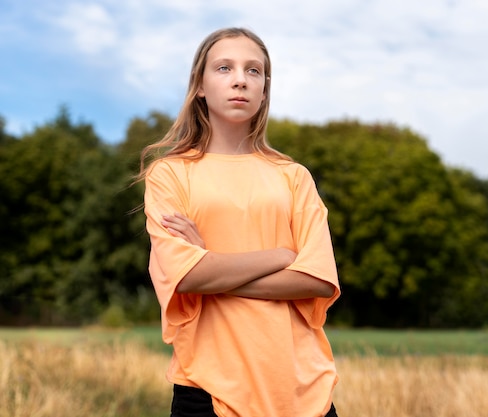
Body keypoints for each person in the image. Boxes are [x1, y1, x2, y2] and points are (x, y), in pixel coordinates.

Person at [137, 27, 341, 417]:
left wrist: (211, 260)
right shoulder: (170, 175)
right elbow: (187, 278)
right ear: (199, 84)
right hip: (209, 389)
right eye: (224, 67)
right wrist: (282, 254)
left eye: (253, 71)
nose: (239, 80)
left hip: (303, 391)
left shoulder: (293, 176)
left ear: (264, 89)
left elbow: (316, 279)